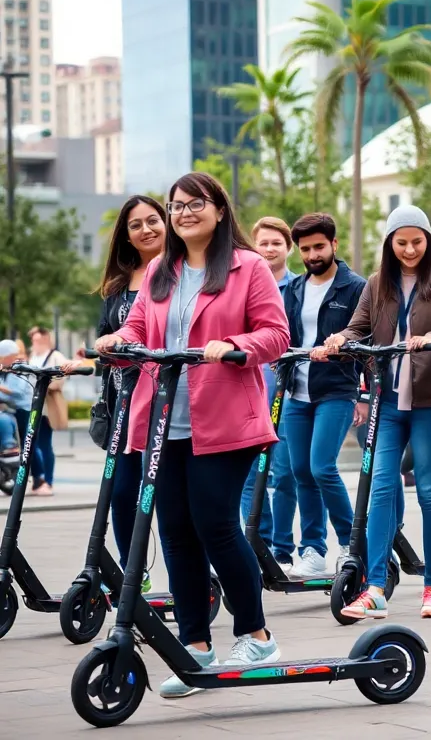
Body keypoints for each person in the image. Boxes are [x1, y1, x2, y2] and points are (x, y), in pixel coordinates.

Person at [94, 171, 290, 697]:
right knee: (177, 532)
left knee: (216, 524)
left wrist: (233, 344)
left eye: (194, 204)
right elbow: (138, 328)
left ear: (219, 210)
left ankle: (256, 633)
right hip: (163, 421)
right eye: (176, 206)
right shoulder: (162, 268)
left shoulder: (248, 268)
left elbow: (275, 333)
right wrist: (117, 339)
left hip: (226, 421)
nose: (183, 213)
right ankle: (195, 644)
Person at [321, 205, 431, 620]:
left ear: (428, 240)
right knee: (382, 490)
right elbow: (359, 328)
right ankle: (375, 589)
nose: (409, 249)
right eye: (401, 242)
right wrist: (340, 338)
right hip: (387, 402)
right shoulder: (377, 285)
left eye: (417, 241)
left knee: (428, 491)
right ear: (390, 243)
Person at [281, 213, 366, 578]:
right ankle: (313, 549)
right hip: (297, 392)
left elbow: (367, 339)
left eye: (319, 246)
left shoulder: (356, 287)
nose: (313, 254)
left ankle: (351, 544)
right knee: (301, 470)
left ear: (334, 244)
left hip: (336, 389)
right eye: (305, 249)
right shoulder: (294, 289)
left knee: (321, 467)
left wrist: (362, 393)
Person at [91, 195, 167, 578]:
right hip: (123, 403)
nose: (145, 229)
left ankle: (194, 579)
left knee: (170, 497)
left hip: (166, 399)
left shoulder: (180, 272)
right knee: (121, 493)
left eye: (152, 220)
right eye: (135, 225)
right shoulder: (118, 285)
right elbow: (106, 338)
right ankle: (132, 572)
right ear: (127, 235)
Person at [240, 216, 300, 569]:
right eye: (263, 243)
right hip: (251, 394)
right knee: (249, 475)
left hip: (290, 395)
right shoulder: (247, 287)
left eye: (277, 243)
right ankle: (255, 543)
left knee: (287, 473)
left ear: (287, 248)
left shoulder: (298, 287)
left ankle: (282, 549)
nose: (269, 249)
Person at [25, 326, 67, 496]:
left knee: (44, 444)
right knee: (31, 444)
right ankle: (37, 480)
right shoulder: (32, 355)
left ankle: (47, 481)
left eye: (38, 340)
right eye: (33, 340)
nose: (35, 343)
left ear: (46, 339)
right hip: (31, 404)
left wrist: (45, 385)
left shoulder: (55, 356)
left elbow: (62, 376)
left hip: (47, 406)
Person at [0, 340, 33, 453]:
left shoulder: (21, 367)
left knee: (28, 446)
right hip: (7, 408)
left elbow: (18, 391)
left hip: (23, 409)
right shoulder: (4, 368)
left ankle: (36, 470)